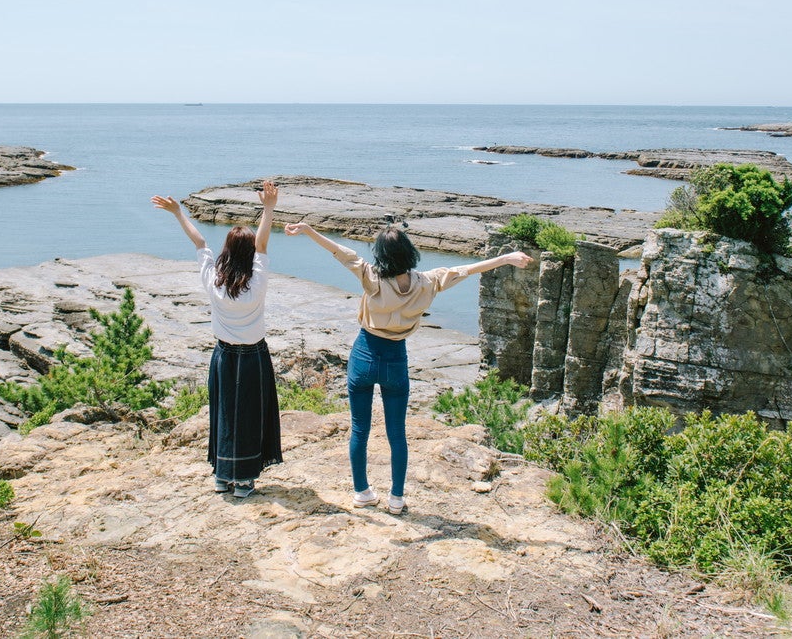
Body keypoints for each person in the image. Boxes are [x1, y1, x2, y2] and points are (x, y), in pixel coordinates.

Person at [284, 220, 533, 514]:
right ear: (409, 252)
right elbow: (468, 269)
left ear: (381, 255)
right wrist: (506, 258)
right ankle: (397, 498)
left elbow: (341, 252)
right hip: (394, 359)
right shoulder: (428, 282)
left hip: (364, 353)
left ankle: (362, 492)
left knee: (359, 430)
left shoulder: (371, 277)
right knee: (397, 433)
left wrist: (309, 231)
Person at [152, 181, 282, 498]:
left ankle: (223, 477)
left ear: (227, 251)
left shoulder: (214, 281)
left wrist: (178, 213)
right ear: (250, 254)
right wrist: (269, 208)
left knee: (224, 413)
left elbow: (200, 243)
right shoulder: (258, 282)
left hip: (223, 356)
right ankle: (246, 480)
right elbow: (263, 244)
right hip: (253, 356)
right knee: (250, 415)